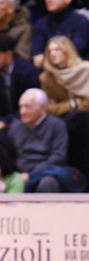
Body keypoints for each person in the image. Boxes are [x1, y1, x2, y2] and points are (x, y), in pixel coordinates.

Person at [40, 36, 89, 172]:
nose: (53, 54)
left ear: (68, 51)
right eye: (49, 51)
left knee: (80, 118)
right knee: (75, 119)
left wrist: (61, 106)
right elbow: (48, 108)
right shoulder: (47, 78)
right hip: (63, 120)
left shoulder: (85, 70)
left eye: (57, 50)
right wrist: (72, 104)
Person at [8, 89, 70, 192]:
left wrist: (31, 174)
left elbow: (58, 156)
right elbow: (9, 155)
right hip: (19, 173)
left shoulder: (57, 125)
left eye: (27, 107)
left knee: (48, 182)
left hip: (46, 172)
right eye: (21, 107)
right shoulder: (15, 127)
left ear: (41, 108)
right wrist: (17, 175)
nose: (22, 111)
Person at [0, 35, 40, 130]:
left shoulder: (28, 72)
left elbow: (32, 105)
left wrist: (7, 122)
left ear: (9, 54)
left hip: (23, 120)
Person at [31, 0, 89, 68]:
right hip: (50, 72)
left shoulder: (81, 21)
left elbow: (75, 52)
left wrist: (50, 57)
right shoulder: (40, 24)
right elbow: (37, 58)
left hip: (77, 69)